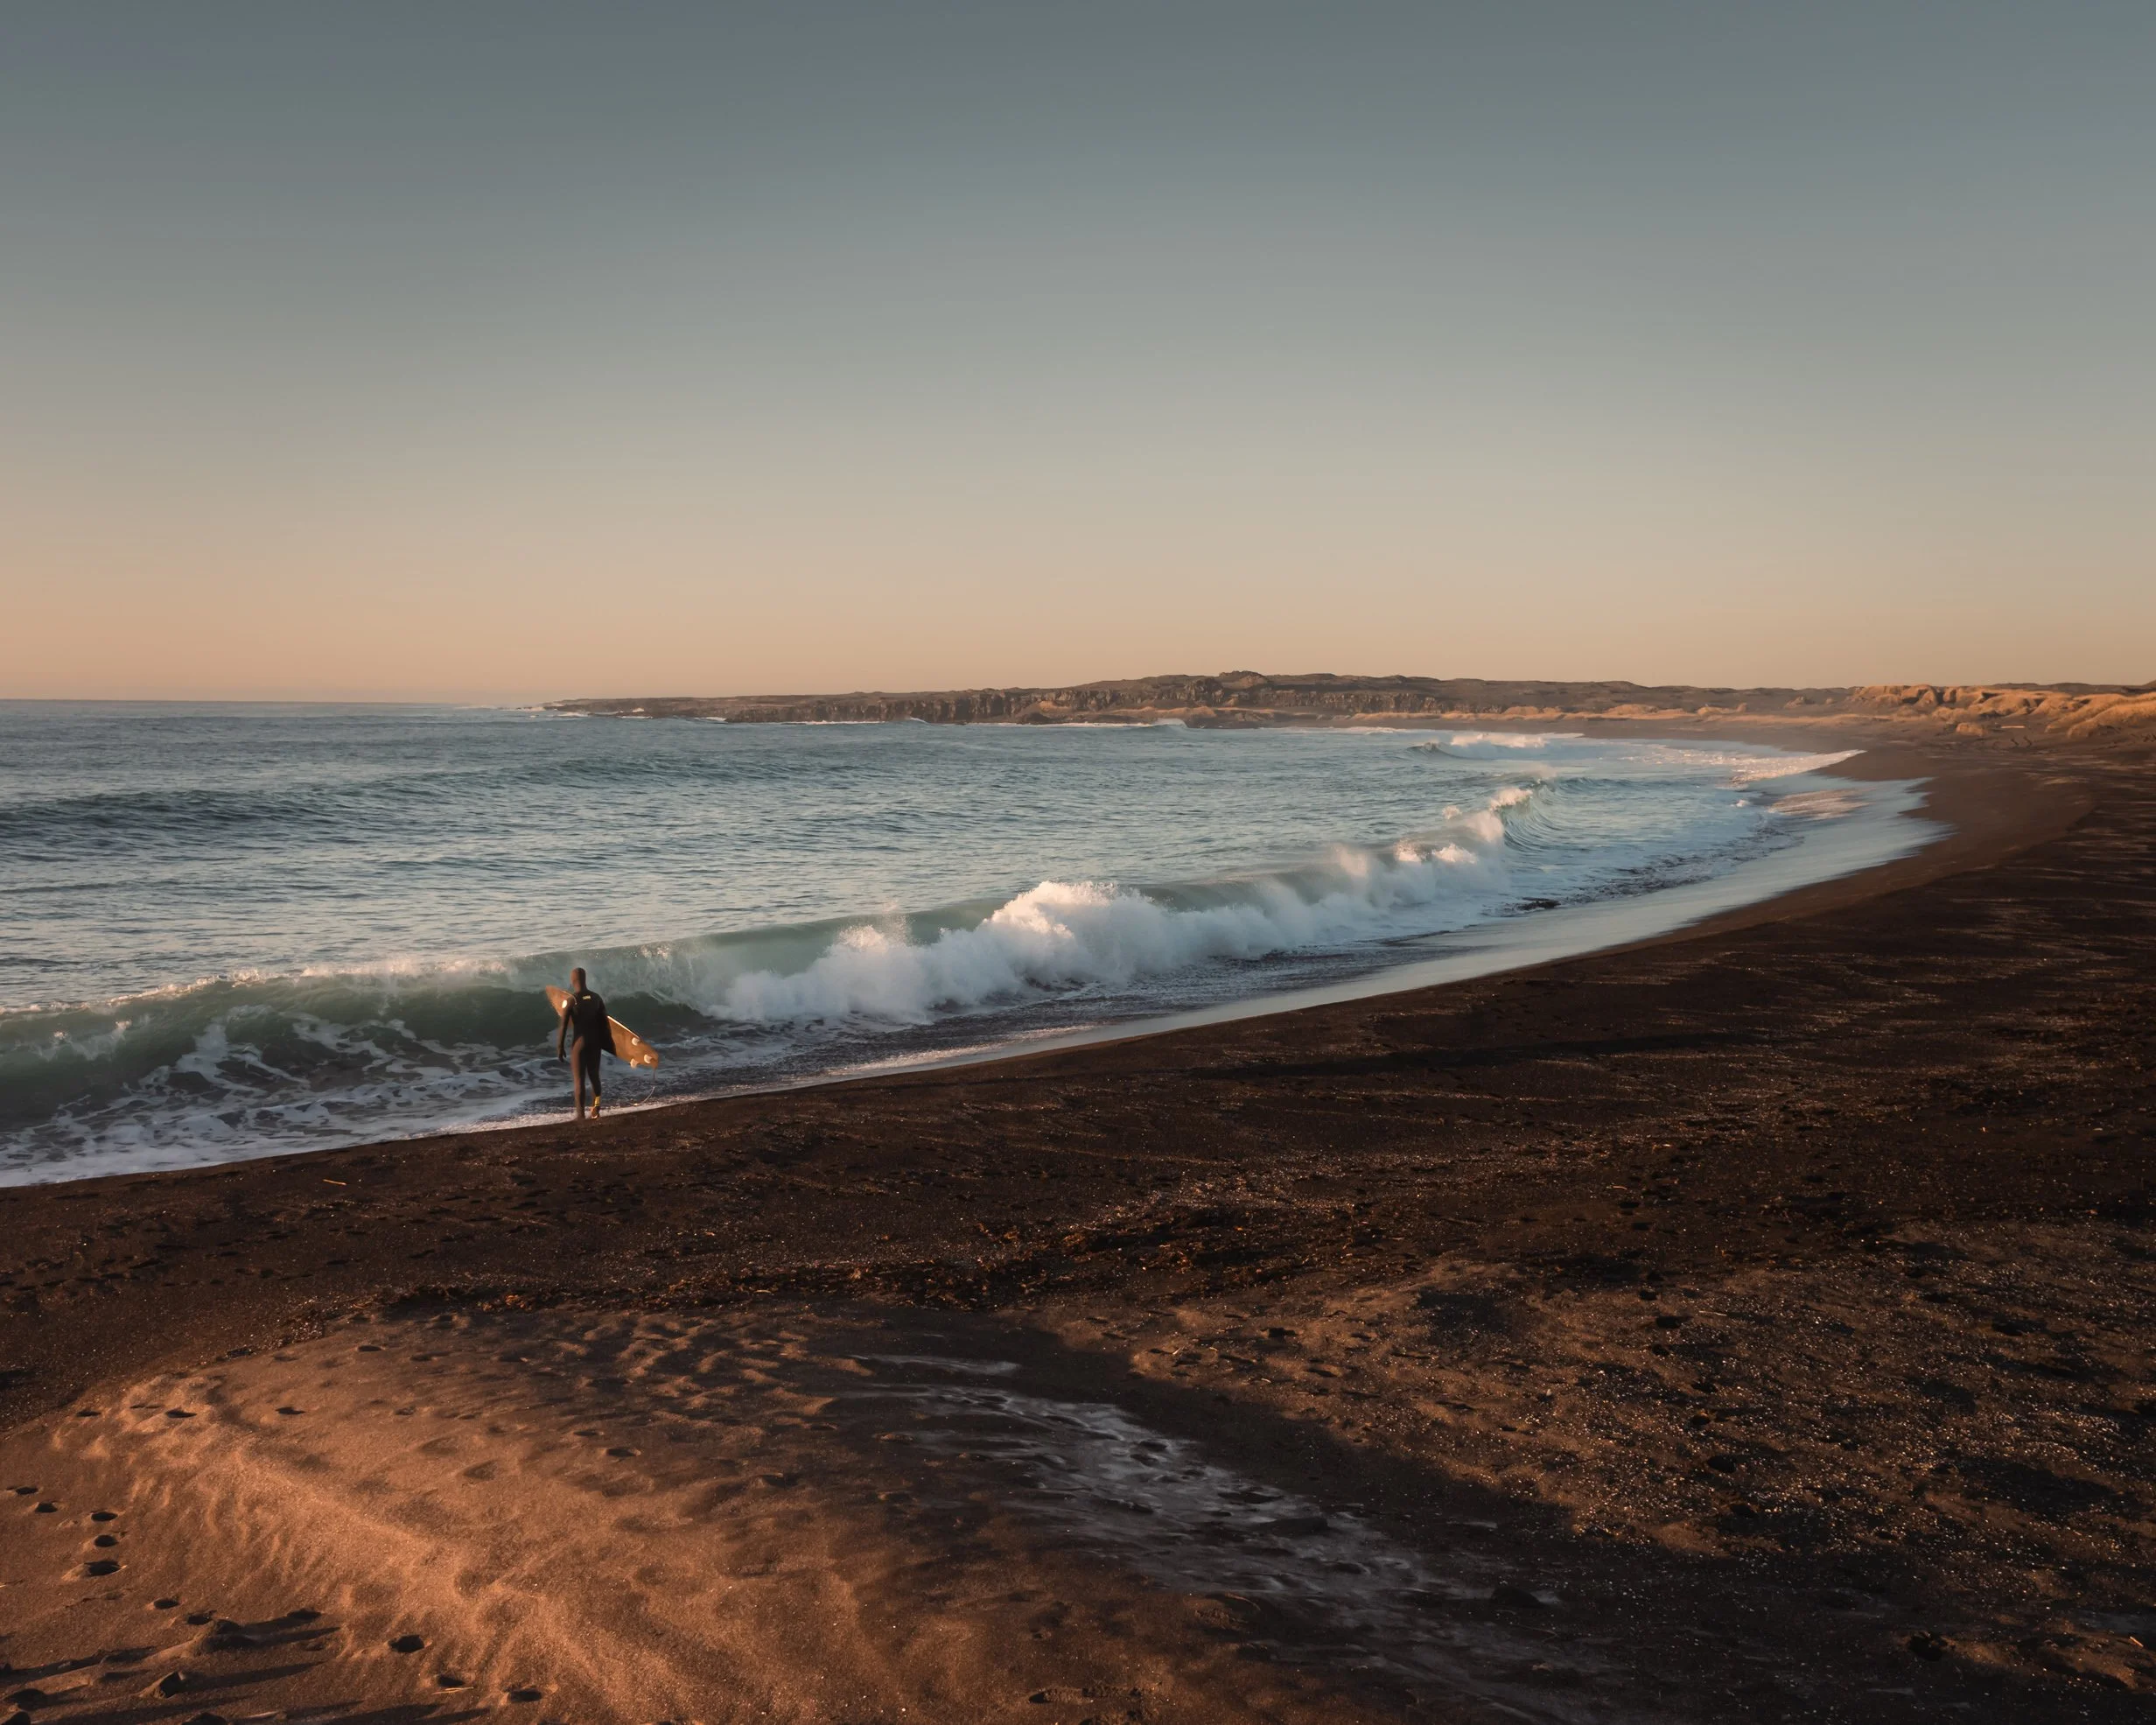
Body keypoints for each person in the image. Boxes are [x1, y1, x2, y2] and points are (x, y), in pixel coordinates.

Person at [555, 967, 615, 1120]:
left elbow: (563, 1026)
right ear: (585, 979)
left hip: (579, 1044)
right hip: (595, 1043)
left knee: (579, 1080)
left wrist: (560, 1047)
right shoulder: (596, 998)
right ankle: (596, 1107)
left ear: (573, 980)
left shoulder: (572, 1000)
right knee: (595, 1076)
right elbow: (605, 1024)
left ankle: (580, 1115)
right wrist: (608, 1044)